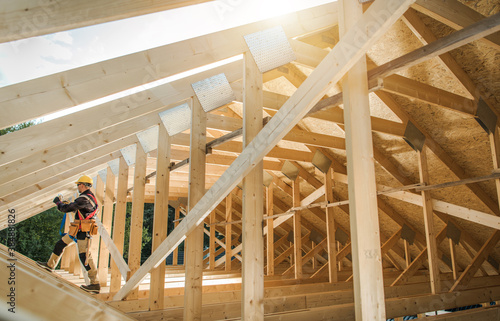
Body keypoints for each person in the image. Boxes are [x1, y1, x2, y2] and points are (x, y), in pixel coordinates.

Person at [36, 175, 101, 294]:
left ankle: (95, 284)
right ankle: (50, 265)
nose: (77, 187)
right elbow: (79, 209)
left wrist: (58, 203)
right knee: (60, 244)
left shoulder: (84, 199)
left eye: (78, 185)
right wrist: (70, 204)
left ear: (82, 185)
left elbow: (65, 209)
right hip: (77, 229)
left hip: (83, 232)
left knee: (85, 257)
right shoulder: (88, 197)